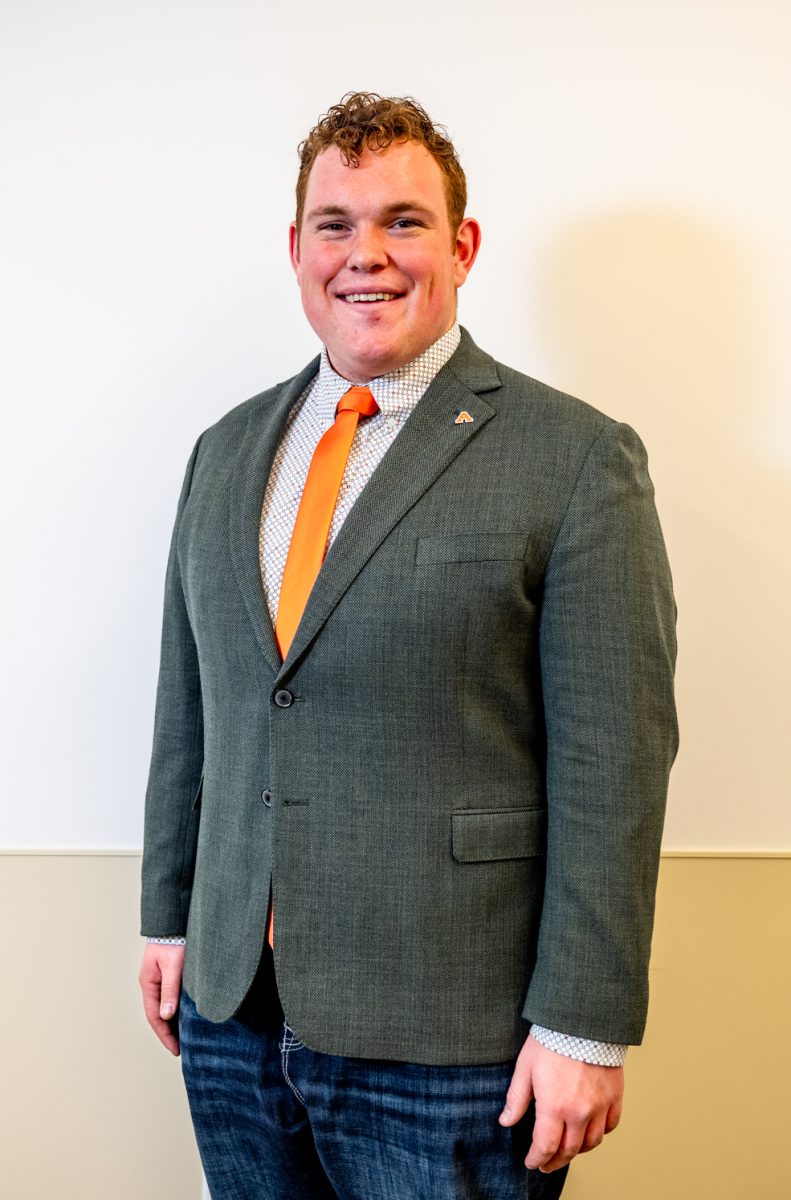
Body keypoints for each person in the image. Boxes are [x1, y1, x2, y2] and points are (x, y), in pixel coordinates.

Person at [139, 92, 678, 1200]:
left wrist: (584, 1025)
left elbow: (611, 764)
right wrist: (169, 914)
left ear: (461, 246)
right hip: (234, 1017)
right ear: (296, 250)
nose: (365, 255)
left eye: (403, 221)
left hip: (452, 1039)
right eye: (335, 224)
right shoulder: (226, 450)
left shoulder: (574, 457)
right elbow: (192, 707)